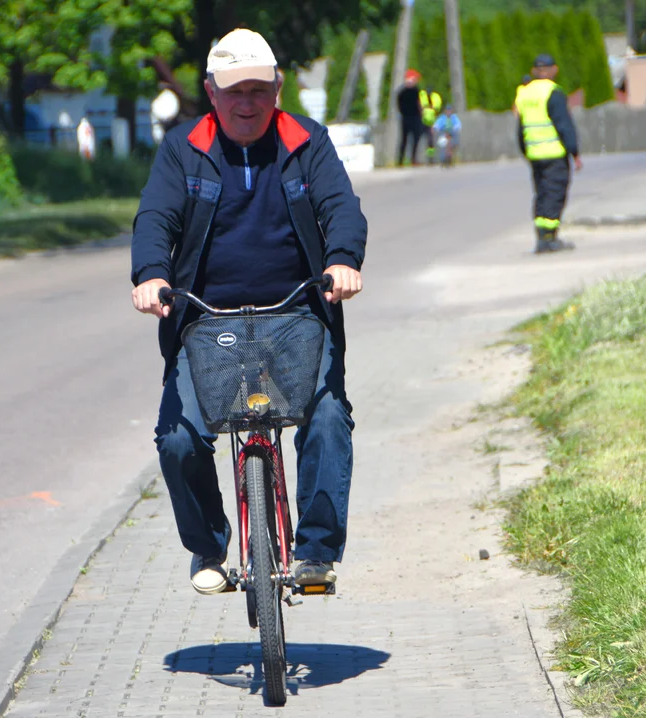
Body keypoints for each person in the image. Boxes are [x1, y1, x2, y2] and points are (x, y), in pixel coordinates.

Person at [130, 28, 366, 595]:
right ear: (211, 91)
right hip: (207, 324)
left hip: (298, 319)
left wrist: (342, 262)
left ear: (277, 89)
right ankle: (209, 546)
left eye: (258, 89)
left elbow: (342, 208)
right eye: (234, 89)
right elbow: (155, 218)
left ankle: (314, 553)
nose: (246, 101)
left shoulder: (307, 142)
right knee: (179, 438)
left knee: (328, 418)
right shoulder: (184, 148)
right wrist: (151, 276)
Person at [514, 54, 583, 253]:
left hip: (535, 155)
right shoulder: (554, 93)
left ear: (535, 71)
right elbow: (564, 126)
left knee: (542, 194)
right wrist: (575, 153)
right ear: (554, 70)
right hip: (554, 155)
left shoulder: (525, 94)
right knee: (555, 194)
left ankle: (542, 236)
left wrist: (526, 151)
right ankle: (549, 238)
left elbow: (520, 128)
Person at [396, 69, 424, 166]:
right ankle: (407, 159)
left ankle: (403, 160)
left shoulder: (402, 92)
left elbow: (399, 106)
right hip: (411, 117)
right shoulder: (414, 91)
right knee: (408, 139)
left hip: (407, 117)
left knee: (409, 139)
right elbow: (419, 104)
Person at [419, 84, 443, 163]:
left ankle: (430, 157)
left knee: (430, 140)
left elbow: (437, 110)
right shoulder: (422, 98)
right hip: (422, 122)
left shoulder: (435, 99)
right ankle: (417, 157)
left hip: (430, 123)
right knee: (419, 139)